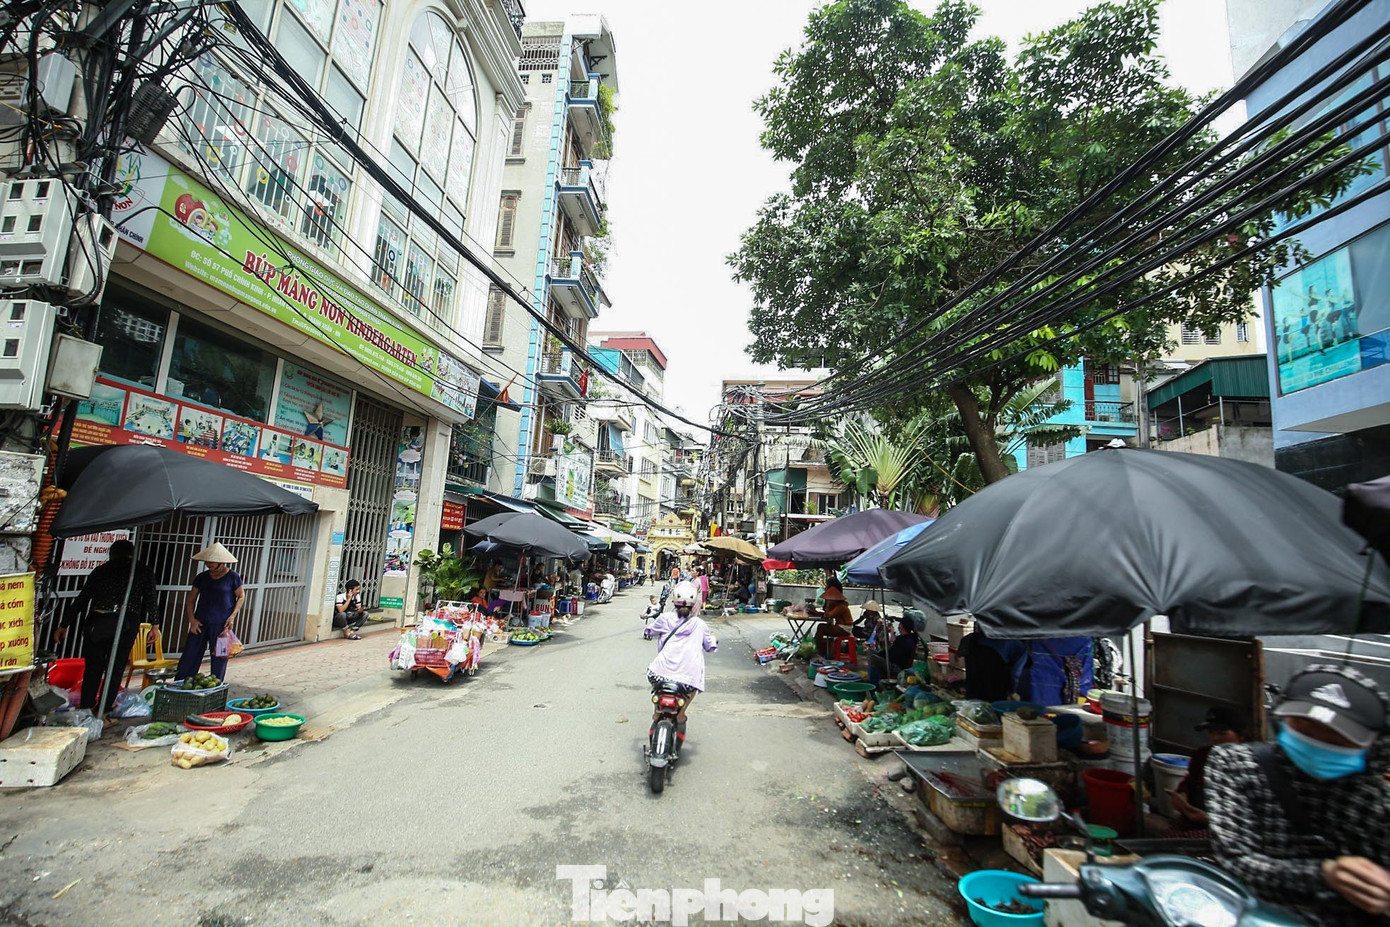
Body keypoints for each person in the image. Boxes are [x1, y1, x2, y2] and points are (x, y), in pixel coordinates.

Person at [1206, 664, 1390, 927]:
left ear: (1371, 746)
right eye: (1305, 727)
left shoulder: (1371, 797)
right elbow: (1237, 860)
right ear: (1281, 719)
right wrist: (1325, 874)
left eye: (1336, 737)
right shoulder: (1237, 765)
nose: (1318, 740)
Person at [56, 539, 158, 714]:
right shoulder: (142, 571)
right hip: (125, 623)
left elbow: (82, 599)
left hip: (98, 621)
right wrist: (154, 626)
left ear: (112, 554)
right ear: (132, 555)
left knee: (93, 667)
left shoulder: (101, 571)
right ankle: (104, 710)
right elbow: (150, 600)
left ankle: (86, 706)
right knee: (116, 667)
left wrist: (64, 624)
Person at [643, 581, 718, 758]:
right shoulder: (700, 625)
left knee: (658, 706)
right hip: (687, 679)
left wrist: (649, 632)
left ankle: (656, 715)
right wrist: (714, 641)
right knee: (681, 713)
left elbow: (649, 631)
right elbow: (710, 646)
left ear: (674, 601)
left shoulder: (665, 619)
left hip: (659, 674)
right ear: (694, 604)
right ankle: (680, 718)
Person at [1164, 706, 1251, 837]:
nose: (1215, 738)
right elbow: (1189, 782)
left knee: (1179, 841)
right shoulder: (1202, 755)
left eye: (1222, 733)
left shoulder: (1251, 765)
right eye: (1211, 732)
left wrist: (1210, 819)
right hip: (1194, 820)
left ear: (1241, 736)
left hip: (1231, 830)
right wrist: (1181, 795)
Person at [175, 542, 244, 682]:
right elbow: (190, 601)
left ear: (222, 563)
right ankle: (181, 683)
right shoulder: (202, 577)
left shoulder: (233, 577)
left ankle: (216, 685)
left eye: (213, 566)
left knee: (219, 657)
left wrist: (232, 616)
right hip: (200, 623)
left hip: (221, 625)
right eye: (208, 566)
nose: (211, 569)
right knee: (190, 655)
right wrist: (192, 620)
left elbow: (241, 596)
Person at [812, 586, 855, 658]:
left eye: (829, 600)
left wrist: (827, 606)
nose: (828, 600)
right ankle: (820, 648)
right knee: (823, 628)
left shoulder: (841, 607)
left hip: (844, 628)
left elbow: (830, 615)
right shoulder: (839, 606)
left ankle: (818, 649)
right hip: (843, 627)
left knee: (821, 627)